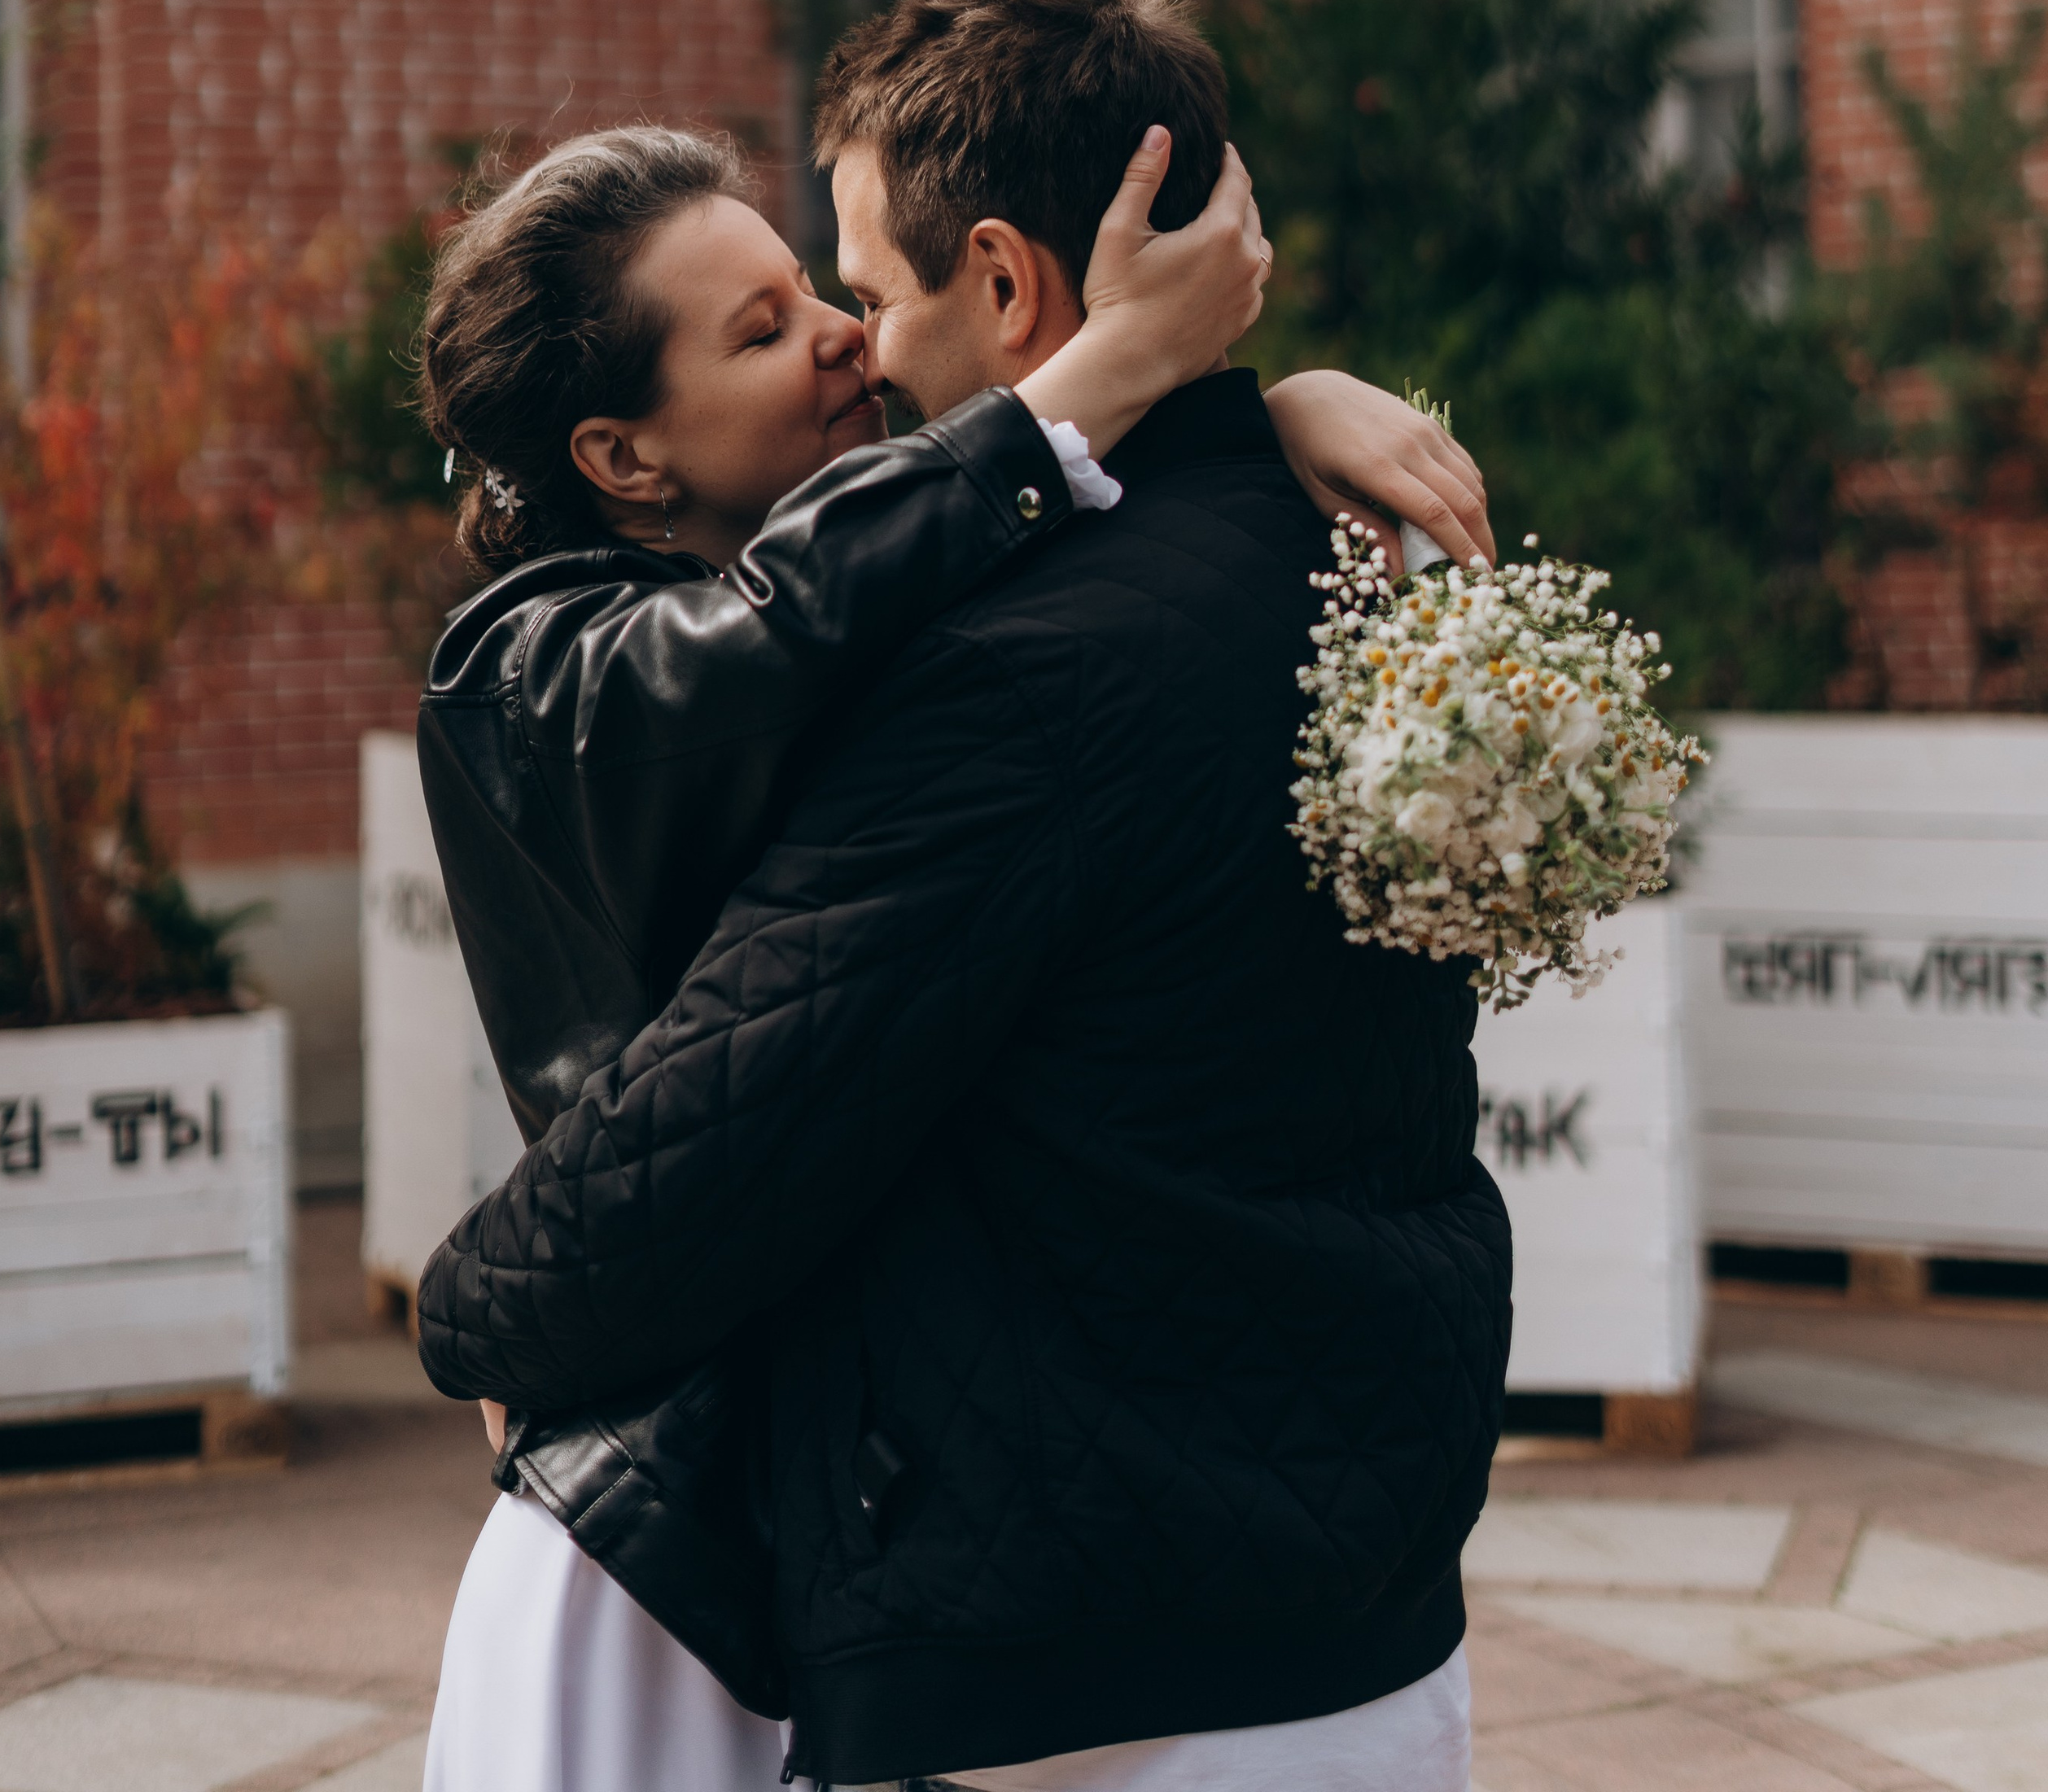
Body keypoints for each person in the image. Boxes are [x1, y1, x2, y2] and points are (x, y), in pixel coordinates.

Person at [410, 99, 1492, 1792]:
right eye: (764, 329)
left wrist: (1248, 417)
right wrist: (1106, 371)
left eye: (815, 288)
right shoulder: (537, 678)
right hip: (655, 1505)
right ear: (621, 458)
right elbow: (759, 643)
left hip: (859, 1480)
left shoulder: (894, 581)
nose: (845, 336)